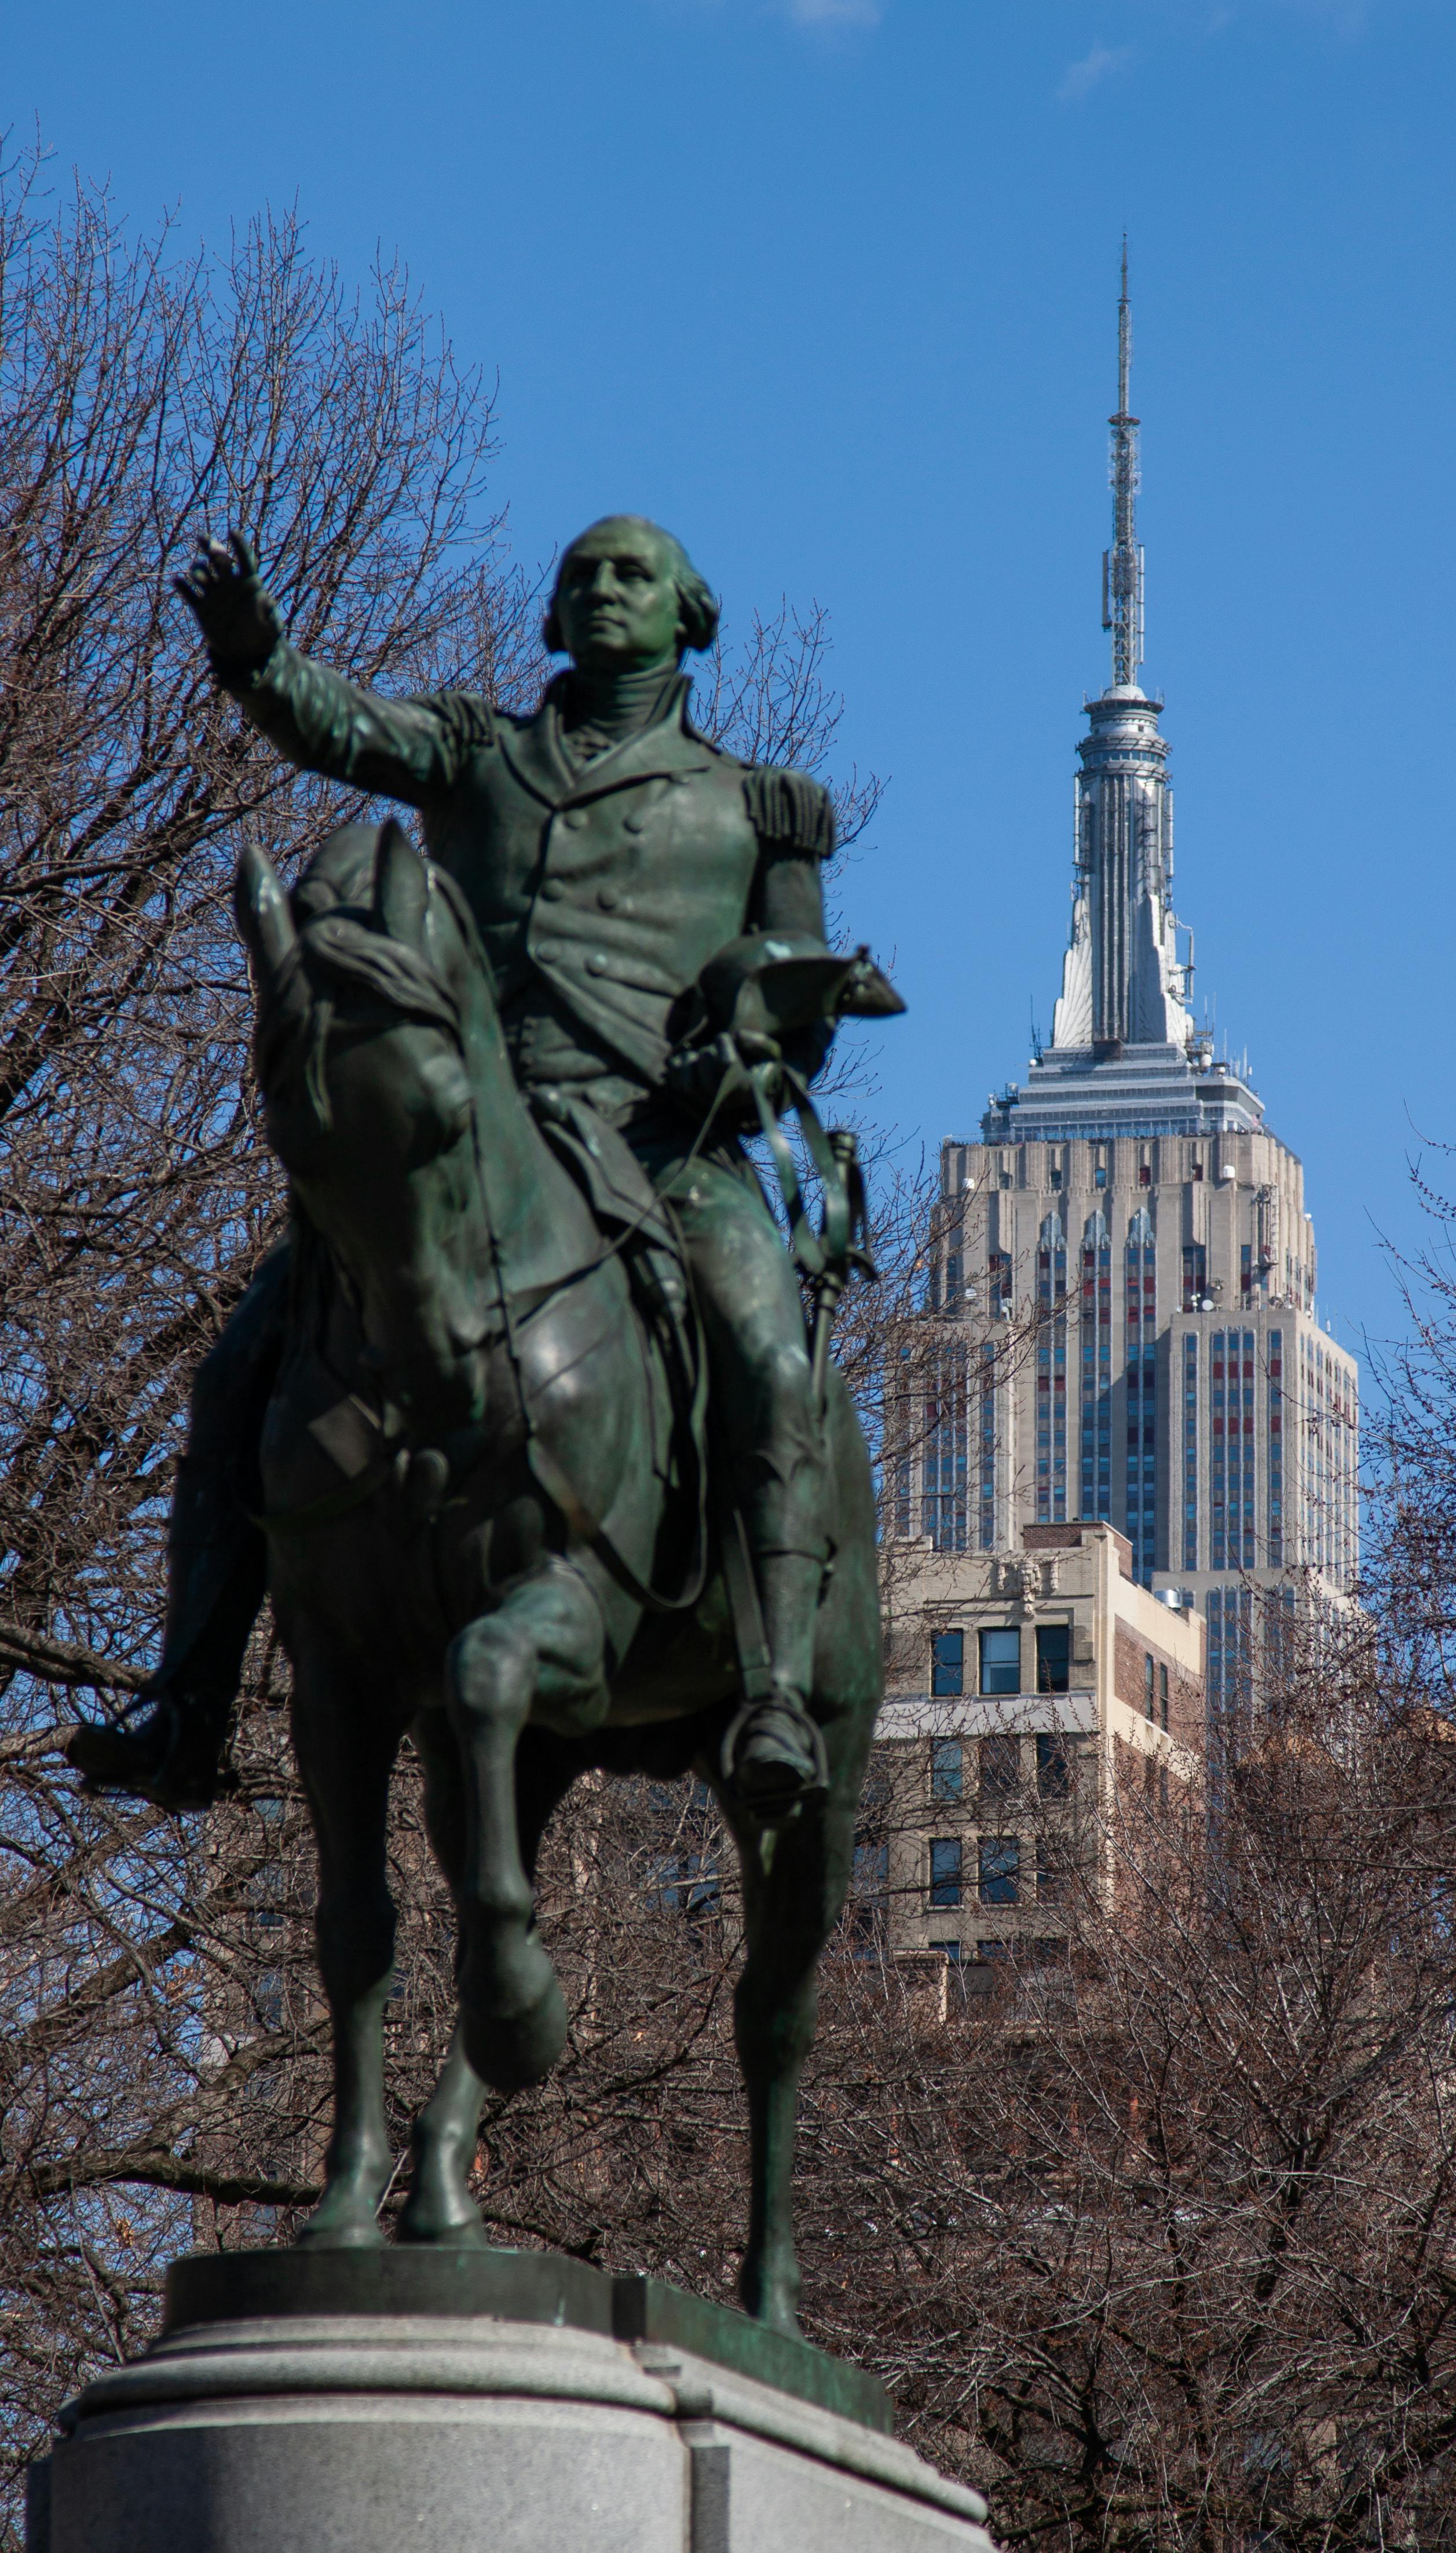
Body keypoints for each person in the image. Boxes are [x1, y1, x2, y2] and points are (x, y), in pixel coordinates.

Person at [72, 516, 864, 1822]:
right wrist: (259, 659)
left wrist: (747, 1043)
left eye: (634, 574)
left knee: (772, 1360)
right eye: (583, 576)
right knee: (238, 1371)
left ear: (689, 616)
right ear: (549, 621)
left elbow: (800, 1010)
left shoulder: (758, 805)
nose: (605, 589)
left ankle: (774, 1688)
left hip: (665, 1154)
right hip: (470, 1145)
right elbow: (339, 726)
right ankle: (188, 1703)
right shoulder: (474, 751)